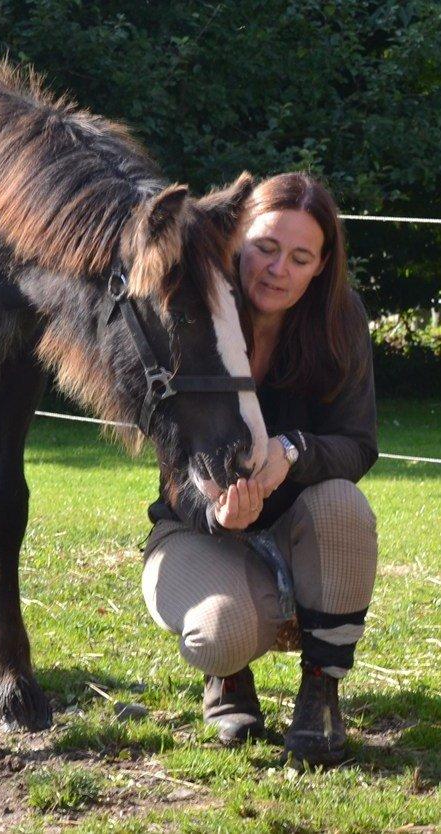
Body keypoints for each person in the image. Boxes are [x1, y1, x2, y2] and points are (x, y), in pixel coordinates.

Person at [142, 172, 378, 766]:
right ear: (239, 238)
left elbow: (358, 445)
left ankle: (321, 687)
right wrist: (214, 509)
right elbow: (168, 454)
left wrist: (294, 450)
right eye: (267, 247)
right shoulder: (193, 309)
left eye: (301, 258)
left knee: (345, 507)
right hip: (200, 525)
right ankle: (230, 675)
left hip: (301, 519)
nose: (279, 270)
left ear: (322, 265)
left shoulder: (342, 321)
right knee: (216, 635)